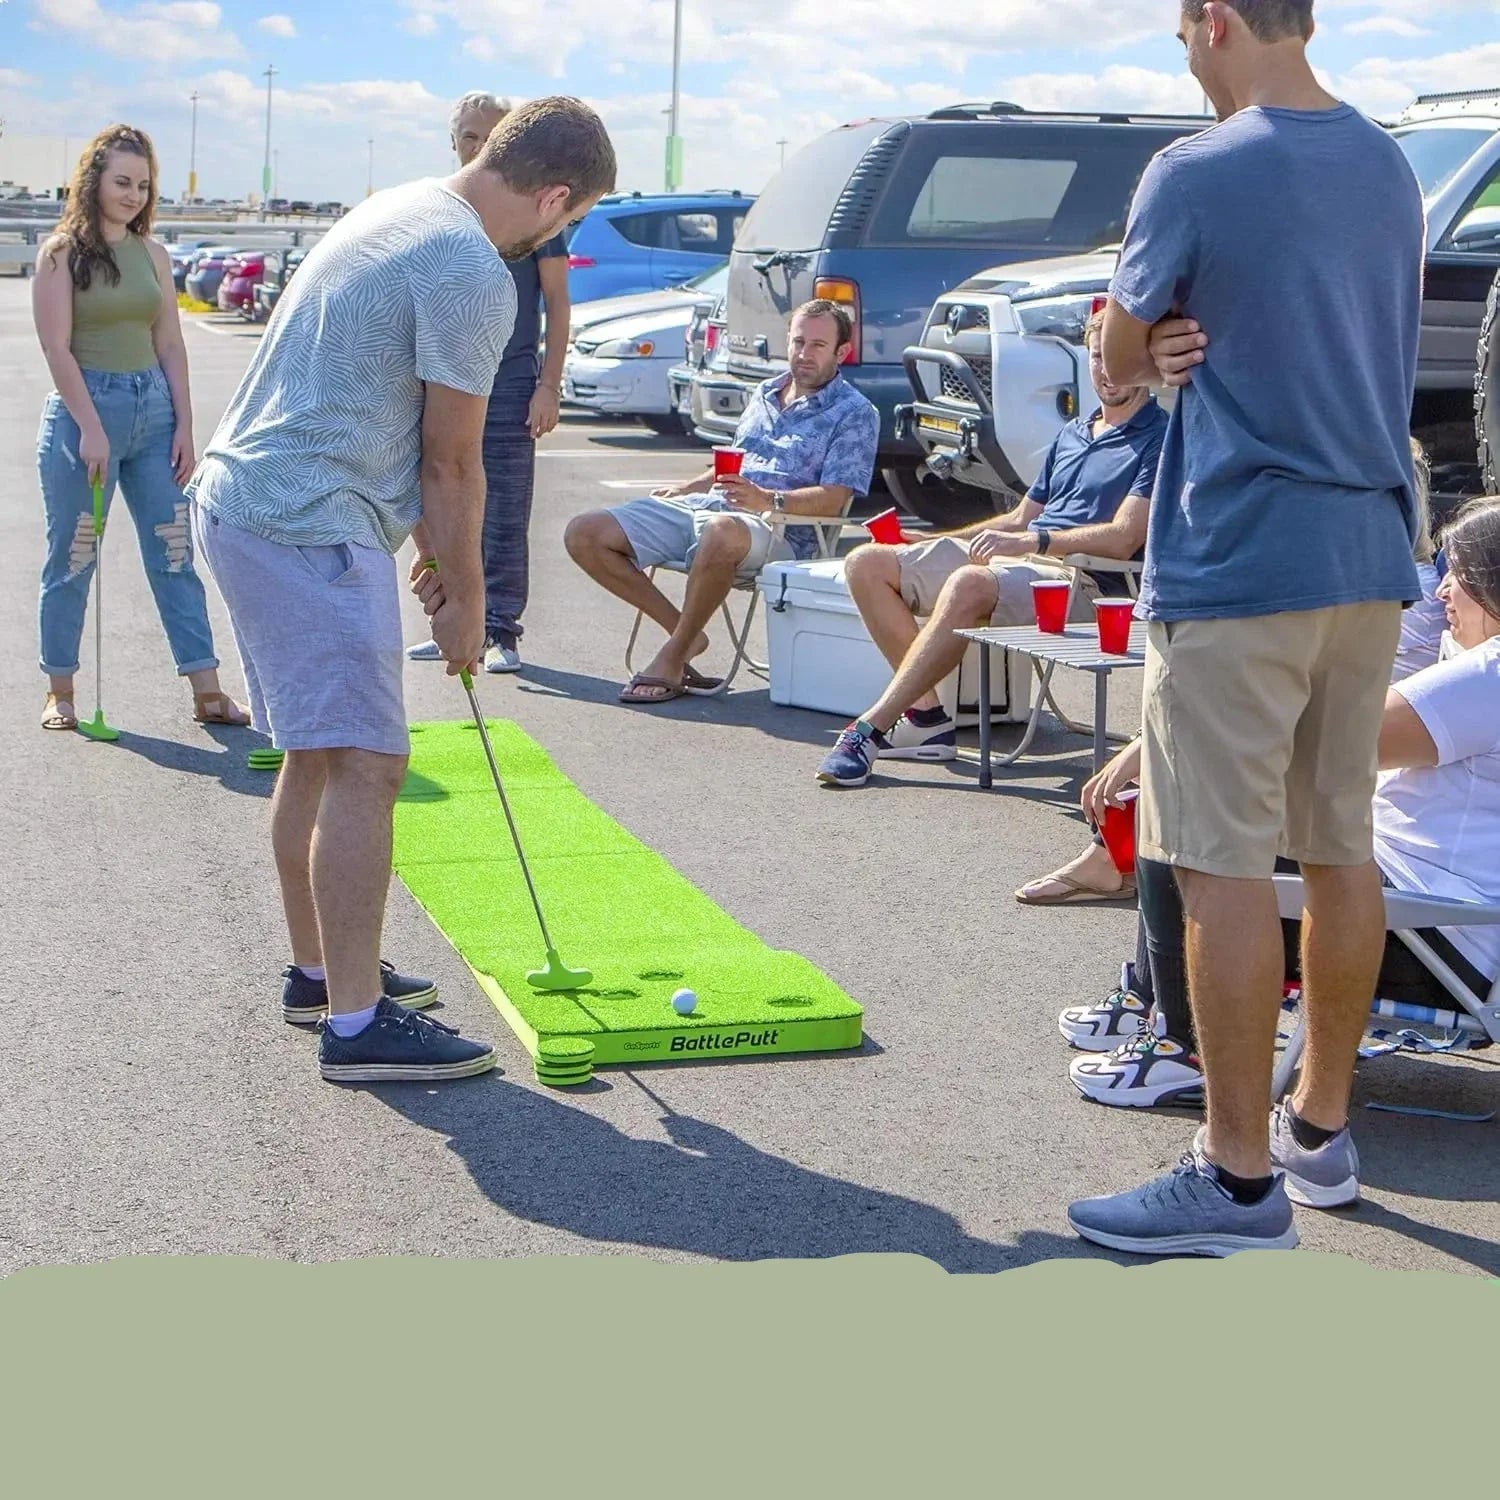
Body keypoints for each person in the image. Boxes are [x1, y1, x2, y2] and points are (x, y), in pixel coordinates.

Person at [1068, 0, 1427, 1257]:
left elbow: (1114, 360)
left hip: (1237, 558)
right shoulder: (1387, 159)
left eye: (1181, 35)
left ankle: (1231, 1178)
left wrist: (1142, 348)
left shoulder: (1195, 168)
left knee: (1216, 862)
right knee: (1339, 847)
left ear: (1216, 20)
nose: (1185, 56)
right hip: (1368, 551)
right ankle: (1318, 1136)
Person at [188, 98, 616, 1085]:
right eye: (570, 218)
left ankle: (319, 974)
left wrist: (427, 549)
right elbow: (454, 461)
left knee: (321, 751)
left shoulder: (404, 205)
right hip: (302, 524)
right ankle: (356, 1025)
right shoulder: (470, 269)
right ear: (554, 196)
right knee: (371, 765)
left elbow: (384, 406)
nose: (557, 232)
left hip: (254, 504)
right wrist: (464, 598)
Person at [1060, 497, 1500, 1137]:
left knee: (1190, 821)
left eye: (1456, 574)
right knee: (1203, 801)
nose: (1442, 591)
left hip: (1425, 938)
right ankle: (1155, 1001)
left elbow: (1331, 741)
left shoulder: (1486, 678)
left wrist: (1176, 725)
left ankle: (1183, 1048)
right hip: (1451, 929)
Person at [1017, 436, 1441, 905]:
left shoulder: (1399, 596)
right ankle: (1119, 879)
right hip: (1340, 752)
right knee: (1192, 750)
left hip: (1346, 761)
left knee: (1195, 771)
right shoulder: (1400, 587)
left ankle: (1137, 926)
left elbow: (1269, 690)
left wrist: (1146, 747)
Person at [816, 311, 1165, 789]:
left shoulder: (1159, 437)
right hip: (1023, 559)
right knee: (869, 563)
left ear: (1142, 363)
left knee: (969, 582)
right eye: (1098, 358)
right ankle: (927, 719)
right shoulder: (1073, 433)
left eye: (1118, 359)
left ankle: (869, 729)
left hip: (1087, 581)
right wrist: (947, 540)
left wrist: (1036, 540)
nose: (1107, 371)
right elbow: (1020, 517)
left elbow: (1126, 535)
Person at [32, 124, 248, 733]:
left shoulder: (153, 253)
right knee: (73, 557)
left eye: (143, 184)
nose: (133, 194)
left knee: (175, 553)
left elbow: (171, 342)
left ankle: (206, 689)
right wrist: (90, 428)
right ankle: (60, 689)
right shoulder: (60, 254)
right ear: (94, 180)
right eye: (122, 181)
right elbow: (56, 348)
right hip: (85, 416)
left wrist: (183, 423)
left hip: (153, 414)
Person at [564, 300, 880, 705]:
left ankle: (671, 657)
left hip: (783, 527)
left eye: (818, 345)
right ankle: (687, 634)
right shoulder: (765, 392)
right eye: (798, 341)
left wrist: (766, 498)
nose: (804, 353)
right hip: (714, 506)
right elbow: (734, 464)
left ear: (842, 352)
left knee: (722, 532)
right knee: (585, 532)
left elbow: (836, 499)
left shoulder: (854, 413)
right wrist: (686, 487)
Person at [406, 91, 571, 674]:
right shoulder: (439, 212)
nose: (480, 144)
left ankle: (501, 628)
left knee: (503, 510)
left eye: (492, 135)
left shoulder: (537, 218)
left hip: (508, 384)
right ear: (455, 144)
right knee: (437, 501)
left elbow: (556, 300)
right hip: (442, 381)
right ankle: (451, 620)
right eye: (470, 136)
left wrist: (548, 384)